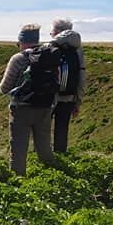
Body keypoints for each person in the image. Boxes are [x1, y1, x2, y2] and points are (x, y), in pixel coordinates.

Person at [0, 23, 54, 175]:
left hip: (21, 109)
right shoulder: (49, 55)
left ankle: (18, 184)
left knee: (18, 151)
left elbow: (4, 87)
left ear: (21, 41)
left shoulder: (18, 59)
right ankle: (51, 178)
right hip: (45, 106)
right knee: (44, 147)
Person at [48, 18, 86, 153]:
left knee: (42, 130)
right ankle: (61, 160)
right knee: (62, 131)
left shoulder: (50, 46)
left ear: (58, 32)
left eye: (52, 31)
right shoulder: (77, 49)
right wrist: (78, 101)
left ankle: (42, 160)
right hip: (69, 96)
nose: (50, 34)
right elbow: (81, 77)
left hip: (49, 97)